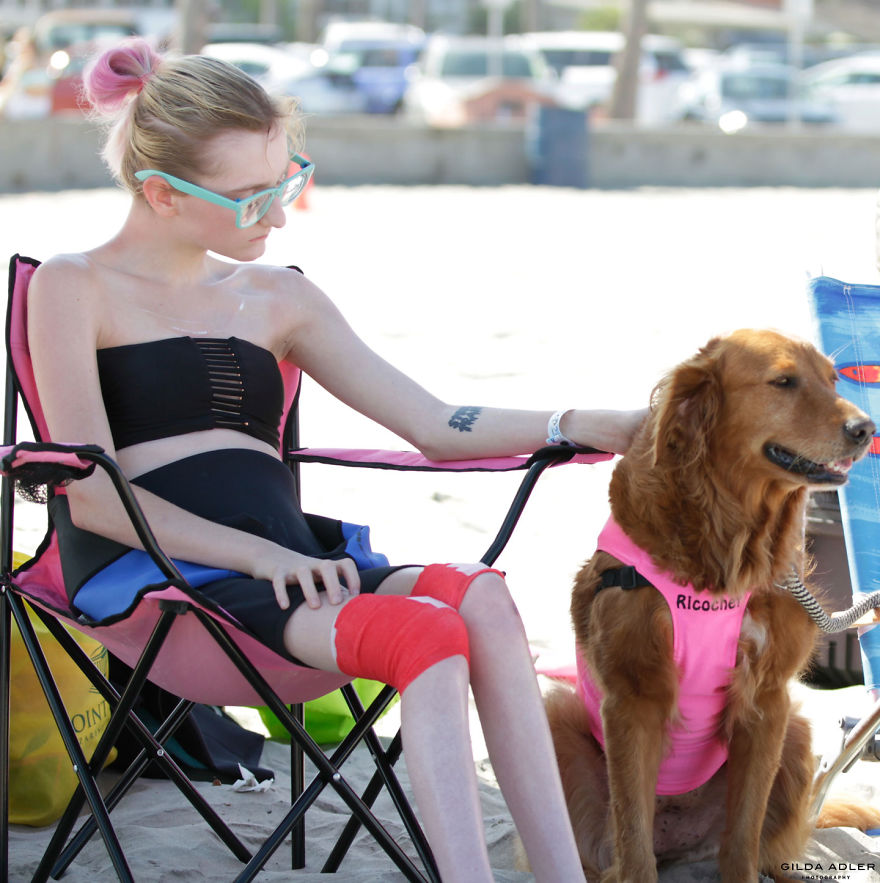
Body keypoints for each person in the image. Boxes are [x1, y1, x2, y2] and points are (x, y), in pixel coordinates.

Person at [27, 38, 645, 883]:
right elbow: (91, 496)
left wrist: (579, 419)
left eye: (287, 183)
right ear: (162, 193)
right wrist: (260, 554)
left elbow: (433, 421)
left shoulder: (280, 295)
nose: (277, 215)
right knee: (425, 630)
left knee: (485, 598)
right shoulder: (73, 286)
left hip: (299, 576)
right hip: (162, 586)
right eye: (251, 198)